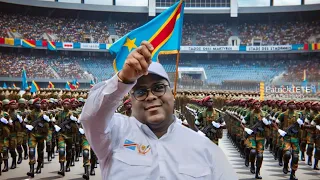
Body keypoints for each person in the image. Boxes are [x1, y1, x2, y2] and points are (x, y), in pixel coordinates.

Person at [80, 41, 237, 180]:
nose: (150, 97)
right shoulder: (115, 133)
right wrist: (124, 79)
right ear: (131, 99)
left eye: (158, 88)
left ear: (172, 94)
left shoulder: (205, 148)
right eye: (140, 92)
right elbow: (91, 116)